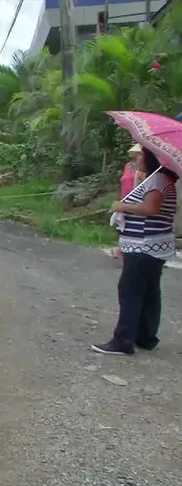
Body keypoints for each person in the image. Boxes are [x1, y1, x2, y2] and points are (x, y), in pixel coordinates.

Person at [92, 148, 177, 356]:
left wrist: (121, 205)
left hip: (144, 245)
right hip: (150, 245)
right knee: (148, 292)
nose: (136, 157)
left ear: (151, 157)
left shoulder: (158, 180)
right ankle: (145, 337)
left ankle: (123, 341)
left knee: (130, 291)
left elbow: (150, 208)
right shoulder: (159, 179)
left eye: (140, 154)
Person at [113, 144, 145, 259]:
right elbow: (124, 180)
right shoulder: (127, 165)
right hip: (125, 196)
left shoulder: (143, 168)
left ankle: (129, 250)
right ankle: (121, 248)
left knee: (132, 223)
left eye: (137, 154)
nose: (134, 156)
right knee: (121, 223)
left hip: (136, 197)